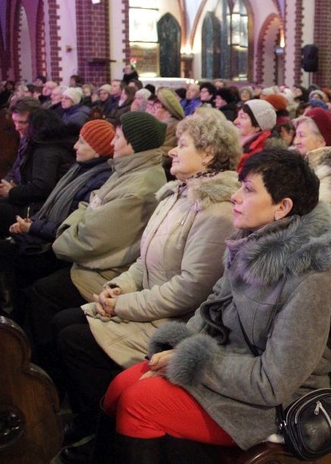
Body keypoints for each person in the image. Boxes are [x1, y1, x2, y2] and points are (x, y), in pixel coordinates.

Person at [96, 149, 331, 461]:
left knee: (140, 402)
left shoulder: (312, 277)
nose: (234, 196)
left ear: (282, 207)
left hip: (275, 403)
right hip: (230, 368)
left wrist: (189, 362)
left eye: (249, 190)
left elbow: (274, 382)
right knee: (121, 385)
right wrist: (177, 350)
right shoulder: (251, 240)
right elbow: (211, 310)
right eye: (240, 185)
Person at [52, 112, 241, 462]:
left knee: (72, 337)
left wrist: (122, 306)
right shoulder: (175, 194)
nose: (171, 152)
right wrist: (117, 288)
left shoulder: (217, 209)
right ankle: (91, 420)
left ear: (209, 154)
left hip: (176, 321)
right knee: (64, 321)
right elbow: (143, 260)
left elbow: (191, 289)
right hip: (147, 305)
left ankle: (101, 429)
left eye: (182, 145)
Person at [25, 112, 167, 387]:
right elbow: (87, 206)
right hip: (92, 261)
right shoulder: (126, 170)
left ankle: (45, 383)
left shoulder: (139, 186)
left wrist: (64, 233)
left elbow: (88, 239)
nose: (112, 143)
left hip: (105, 272)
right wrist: (79, 221)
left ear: (134, 144)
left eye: (117, 137)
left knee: (42, 295)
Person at [0, 120, 114, 319]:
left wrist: (32, 227)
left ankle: (10, 321)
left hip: (58, 247)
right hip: (47, 233)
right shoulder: (81, 169)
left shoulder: (98, 180)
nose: (75, 145)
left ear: (98, 151)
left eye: (82, 142)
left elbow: (70, 224)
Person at [0, 101, 77, 239]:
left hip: (38, 209)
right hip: (27, 199)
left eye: (23, 122)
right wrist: (1, 189)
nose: (17, 127)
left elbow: (42, 188)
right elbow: (16, 170)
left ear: (36, 122)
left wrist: (13, 192)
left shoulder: (46, 149)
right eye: (15, 122)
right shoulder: (34, 142)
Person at [293, 108, 331, 206]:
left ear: (321, 142)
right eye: (296, 135)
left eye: (302, 136)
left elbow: (319, 216)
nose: (296, 141)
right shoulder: (303, 165)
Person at [234, 99, 277, 172]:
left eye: (243, 117)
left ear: (258, 125)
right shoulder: (236, 141)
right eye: (237, 116)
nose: (235, 121)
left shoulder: (261, 153)